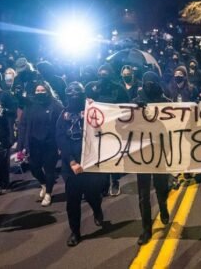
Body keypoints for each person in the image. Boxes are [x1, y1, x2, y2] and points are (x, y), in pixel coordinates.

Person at [56, 82, 104, 246]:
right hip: (71, 166)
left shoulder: (91, 110)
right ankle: (75, 232)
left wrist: (93, 106)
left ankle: (97, 210)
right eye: (71, 93)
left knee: (92, 194)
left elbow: (103, 126)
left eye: (78, 93)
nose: (74, 96)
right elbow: (61, 139)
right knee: (73, 202)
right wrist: (72, 161)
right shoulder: (63, 116)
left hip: (90, 161)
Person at [133, 71, 170, 245]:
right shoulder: (137, 101)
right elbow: (121, 116)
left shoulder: (165, 101)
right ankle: (146, 229)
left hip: (160, 154)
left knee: (161, 188)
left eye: (152, 82)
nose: (149, 85)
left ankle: (163, 207)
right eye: (146, 82)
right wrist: (135, 108)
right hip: (143, 155)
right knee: (143, 195)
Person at [85, 64, 129, 196]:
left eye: (105, 74)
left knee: (113, 155)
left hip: (114, 128)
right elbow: (85, 102)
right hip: (97, 128)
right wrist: (88, 102)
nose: (103, 77)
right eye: (101, 74)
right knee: (101, 156)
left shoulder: (119, 89)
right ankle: (104, 184)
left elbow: (126, 106)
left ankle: (115, 181)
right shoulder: (92, 88)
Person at [17, 81, 63, 206]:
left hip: (50, 143)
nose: (40, 93)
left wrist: (61, 144)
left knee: (49, 169)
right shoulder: (30, 105)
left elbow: (61, 125)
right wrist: (21, 144)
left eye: (43, 91)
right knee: (34, 168)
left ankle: (48, 193)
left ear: (48, 91)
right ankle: (43, 184)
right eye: (38, 91)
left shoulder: (56, 105)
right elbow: (23, 124)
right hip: (33, 143)